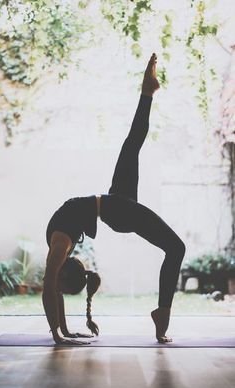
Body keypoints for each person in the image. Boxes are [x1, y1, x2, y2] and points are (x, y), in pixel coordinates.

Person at [42, 53, 186, 345]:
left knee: (132, 144)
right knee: (176, 247)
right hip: (113, 211)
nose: (55, 286)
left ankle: (147, 91)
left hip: (111, 204)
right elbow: (51, 288)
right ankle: (163, 313)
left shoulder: (59, 247)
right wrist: (59, 334)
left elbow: (50, 288)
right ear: (63, 275)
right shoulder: (59, 247)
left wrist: (63, 333)